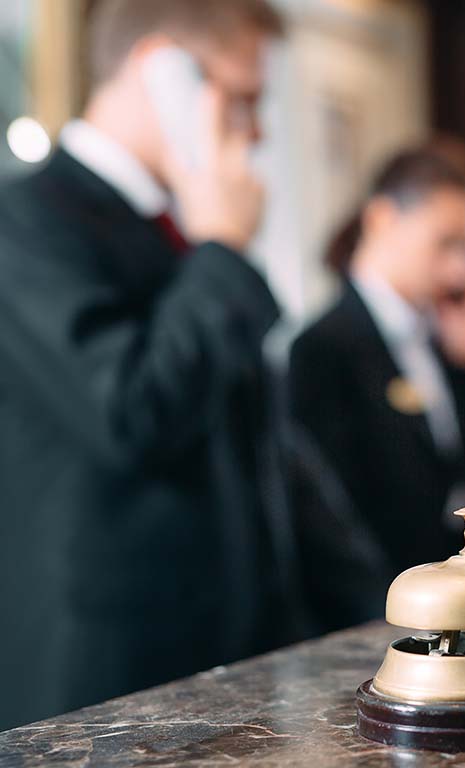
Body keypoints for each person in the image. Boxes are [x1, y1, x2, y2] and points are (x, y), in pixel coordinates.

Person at [0, 0, 286, 731]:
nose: (256, 131)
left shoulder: (176, 231)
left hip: (227, 656)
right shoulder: (25, 220)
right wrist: (222, 248)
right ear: (162, 72)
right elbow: (131, 413)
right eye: (242, 98)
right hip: (107, 678)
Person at [290, 149, 465, 590]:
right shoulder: (320, 349)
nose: (463, 269)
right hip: (385, 605)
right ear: (383, 220)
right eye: (446, 243)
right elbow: (331, 515)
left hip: (459, 596)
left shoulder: (442, 337)